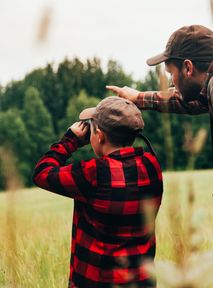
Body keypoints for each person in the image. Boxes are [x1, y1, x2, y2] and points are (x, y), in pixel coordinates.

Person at [33, 96, 163, 288]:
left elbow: (42, 173)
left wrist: (70, 141)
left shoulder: (94, 173)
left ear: (100, 136)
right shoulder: (151, 165)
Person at [106, 25, 213, 149]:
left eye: (171, 73)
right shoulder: (207, 91)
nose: (171, 84)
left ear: (188, 68)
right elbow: (190, 101)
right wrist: (138, 97)